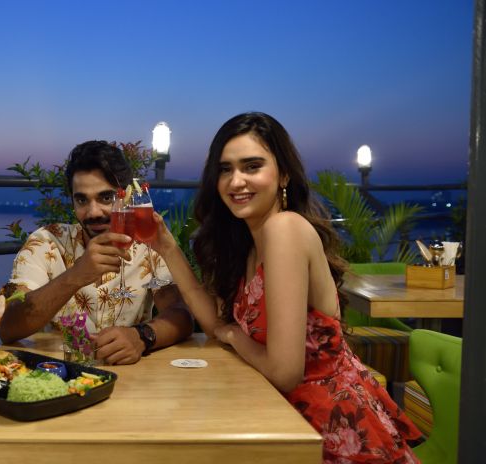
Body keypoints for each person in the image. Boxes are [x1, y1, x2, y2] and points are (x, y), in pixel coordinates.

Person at [147, 113, 421, 463]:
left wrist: (234, 337)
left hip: (325, 430)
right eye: (225, 169)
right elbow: (215, 321)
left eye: (252, 166)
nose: (236, 181)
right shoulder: (250, 244)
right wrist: (167, 247)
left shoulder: (284, 230)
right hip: (282, 415)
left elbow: (284, 372)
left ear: (284, 175)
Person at [0, 140, 193, 365]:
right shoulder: (45, 242)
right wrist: (75, 276)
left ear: (127, 197)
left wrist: (142, 336)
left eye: (106, 198)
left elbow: (181, 314)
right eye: (82, 199)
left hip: (131, 372)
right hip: (61, 372)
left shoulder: (148, 244)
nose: (93, 212)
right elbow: (8, 327)